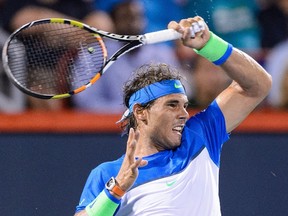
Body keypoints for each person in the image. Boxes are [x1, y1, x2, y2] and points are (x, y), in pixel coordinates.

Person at [74, 16, 272, 216]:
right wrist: (117, 189)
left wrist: (209, 44)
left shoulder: (201, 135)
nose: (184, 114)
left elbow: (257, 86)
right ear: (141, 113)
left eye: (184, 105)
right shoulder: (109, 174)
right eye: (172, 105)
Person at [72, 0, 180, 113]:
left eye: (137, 17)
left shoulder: (163, 54)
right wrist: (130, 113)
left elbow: (174, 96)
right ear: (114, 22)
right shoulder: (93, 54)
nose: (133, 23)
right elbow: (85, 101)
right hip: (104, 127)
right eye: (125, 17)